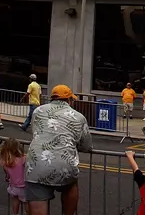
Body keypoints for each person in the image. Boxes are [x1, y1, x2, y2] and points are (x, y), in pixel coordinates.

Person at [25, 84, 92, 215]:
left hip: (36, 164)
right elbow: (86, 146)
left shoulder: (38, 111)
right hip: (64, 164)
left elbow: (37, 132)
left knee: (38, 205)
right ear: (69, 100)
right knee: (71, 185)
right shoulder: (78, 117)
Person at [0, 138, 28, 215]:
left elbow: (7, 174)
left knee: (15, 200)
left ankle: (15, 213)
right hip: (23, 186)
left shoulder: (6, 162)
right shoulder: (22, 159)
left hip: (13, 186)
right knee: (26, 202)